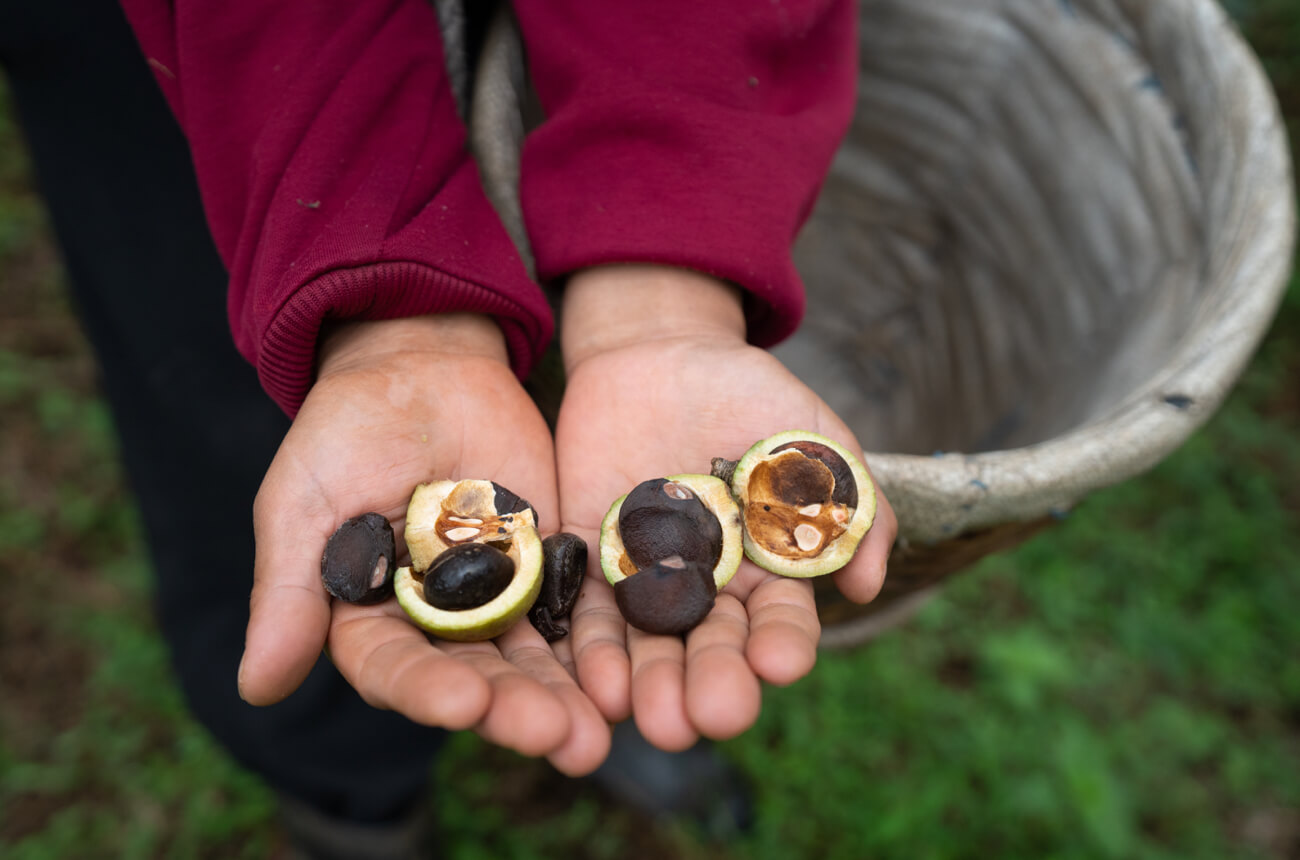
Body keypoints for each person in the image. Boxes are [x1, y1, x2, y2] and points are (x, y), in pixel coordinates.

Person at [1, 0, 897, 855]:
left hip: (611, 71)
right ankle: (347, 797)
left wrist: (663, 276)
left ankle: (612, 707)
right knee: (234, 415)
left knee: (562, 439)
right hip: (193, 64)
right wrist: (379, 303)